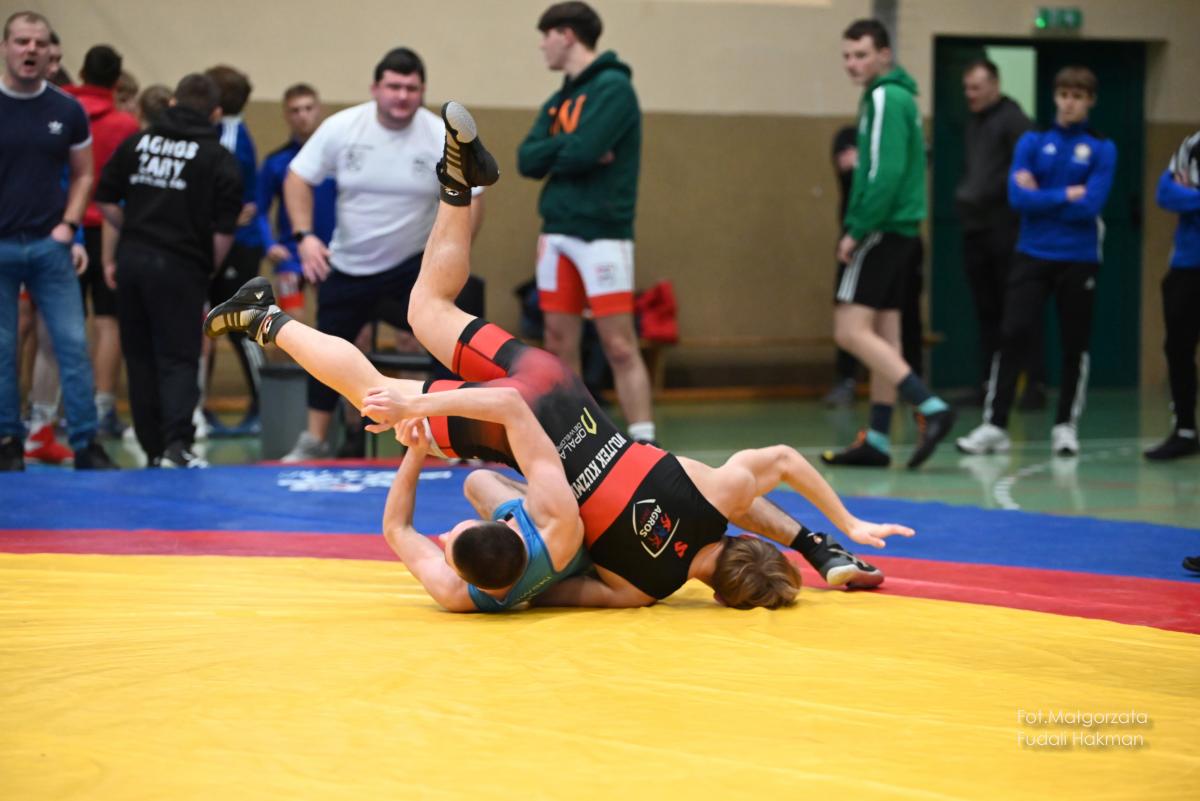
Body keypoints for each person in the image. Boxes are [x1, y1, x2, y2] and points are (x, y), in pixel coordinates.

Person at [207, 101, 911, 611]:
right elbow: (533, 584)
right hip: (518, 428)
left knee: (428, 310)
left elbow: (782, 460)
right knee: (374, 391)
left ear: (744, 541)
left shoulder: (718, 496)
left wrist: (842, 528)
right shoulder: (633, 590)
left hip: (557, 386)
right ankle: (266, 317)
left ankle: (461, 182)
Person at [279, 47, 484, 462]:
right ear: (376, 88)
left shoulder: (439, 135)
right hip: (350, 265)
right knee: (325, 347)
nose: (402, 96)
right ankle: (315, 439)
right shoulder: (343, 127)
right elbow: (298, 176)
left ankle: (453, 439)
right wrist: (305, 237)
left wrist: (450, 255)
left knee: (452, 334)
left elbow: (473, 196)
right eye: (393, 86)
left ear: (422, 91)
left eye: (411, 88)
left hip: (413, 268)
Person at [957, 66, 1117, 457]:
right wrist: (1066, 194)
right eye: (1064, 95)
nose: (1069, 104)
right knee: (1012, 333)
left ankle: (1065, 426)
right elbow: (1018, 199)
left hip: (1078, 256)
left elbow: (1091, 205)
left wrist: (1043, 195)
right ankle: (995, 424)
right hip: (1032, 252)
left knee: (1074, 343)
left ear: (1090, 102)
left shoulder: (1102, 148)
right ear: (1055, 98)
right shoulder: (1033, 141)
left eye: (1078, 97)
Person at [517, 1, 657, 446]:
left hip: (602, 235)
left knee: (619, 344)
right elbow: (526, 159)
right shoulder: (559, 99)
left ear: (567, 35)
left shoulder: (614, 88)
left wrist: (571, 151)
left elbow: (581, 151)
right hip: (556, 232)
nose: (542, 46)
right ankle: (576, 440)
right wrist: (575, 149)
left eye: (545, 37)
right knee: (558, 343)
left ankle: (645, 442)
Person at [823, 18, 954, 469]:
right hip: (903, 233)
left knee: (849, 330)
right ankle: (877, 437)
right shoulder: (902, 98)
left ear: (884, 55)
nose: (852, 64)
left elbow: (884, 173)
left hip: (881, 229)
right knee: (884, 335)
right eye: (846, 56)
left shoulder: (883, 98)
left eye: (861, 54)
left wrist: (856, 228)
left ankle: (930, 406)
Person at [95, 73, 243, 468]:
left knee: (139, 355)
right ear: (215, 113)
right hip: (181, 264)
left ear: (174, 103)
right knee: (179, 356)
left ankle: (152, 447)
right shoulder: (218, 158)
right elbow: (224, 229)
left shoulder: (137, 143)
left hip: (133, 260)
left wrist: (133, 230)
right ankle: (177, 445)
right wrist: (207, 268)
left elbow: (105, 199)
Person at [0, 10, 115, 471]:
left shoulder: (67, 110)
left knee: (71, 343)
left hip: (51, 245)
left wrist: (69, 225)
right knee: (3, 347)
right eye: (21, 41)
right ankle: (9, 440)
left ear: (50, 52)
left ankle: (86, 442)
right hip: (2, 245)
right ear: (6, 48)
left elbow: (85, 173)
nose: (30, 49)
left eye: (39, 43)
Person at [957, 58, 1044, 409]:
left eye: (976, 87)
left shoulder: (1015, 121)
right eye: (966, 88)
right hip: (976, 228)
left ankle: (1033, 384)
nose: (970, 94)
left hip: (1006, 228)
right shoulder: (974, 124)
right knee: (987, 312)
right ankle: (988, 384)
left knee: (1017, 310)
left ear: (994, 85)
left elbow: (1029, 170)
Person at [65, 44, 140, 439]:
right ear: (115, 81)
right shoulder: (125, 126)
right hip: (107, 229)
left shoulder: (61, 110)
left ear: (81, 73)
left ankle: (52, 411)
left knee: (59, 324)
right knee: (108, 323)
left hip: (63, 227)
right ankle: (102, 407)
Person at [203, 64, 264, 437]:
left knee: (241, 325)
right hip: (224, 239)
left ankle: (264, 403)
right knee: (207, 325)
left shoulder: (230, 133)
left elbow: (224, 187)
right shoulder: (220, 130)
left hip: (238, 244)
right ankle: (198, 405)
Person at [257, 83, 336, 319]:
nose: (303, 116)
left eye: (308, 108)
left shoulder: (336, 159)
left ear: (319, 110)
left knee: (335, 323)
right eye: (295, 110)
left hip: (332, 252)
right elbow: (259, 209)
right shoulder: (276, 161)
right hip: (291, 255)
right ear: (286, 115)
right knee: (290, 324)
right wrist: (269, 244)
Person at [1144, 130, 1200, 460]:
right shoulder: (1192, 146)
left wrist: (1191, 194)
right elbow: (1165, 194)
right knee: (1178, 347)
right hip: (1187, 264)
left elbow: (1181, 195)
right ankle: (1184, 429)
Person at [823, 125, 863, 408]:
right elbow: (845, 167)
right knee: (847, 324)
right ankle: (846, 380)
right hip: (854, 243)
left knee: (885, 323)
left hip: (880, 241)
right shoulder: (849, 135)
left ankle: (916, 393)